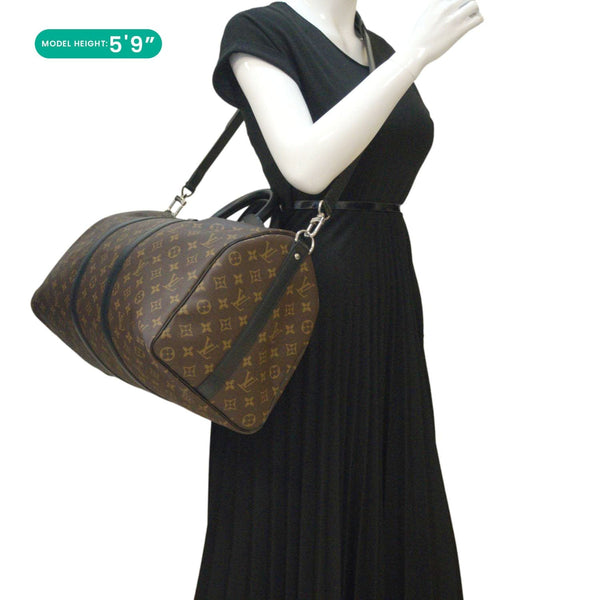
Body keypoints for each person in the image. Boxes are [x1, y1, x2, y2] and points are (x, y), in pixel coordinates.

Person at [194, 1, 484, 598]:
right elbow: (306, 166)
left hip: (383, 283)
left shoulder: (378, 47)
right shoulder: (260, 32)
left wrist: (403, 56)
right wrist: (415, 56)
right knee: (295, 481)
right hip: (302, 289)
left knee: (386, 475)